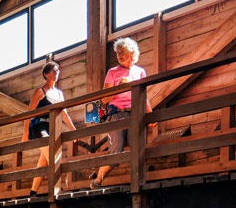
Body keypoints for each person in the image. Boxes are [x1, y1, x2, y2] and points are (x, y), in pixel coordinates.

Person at [92, 37, 157, 189]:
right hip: (116, 114)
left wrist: (150, 113)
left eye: (122, 52)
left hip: (135, 114)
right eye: (117, 53)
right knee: (117, 150)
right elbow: (105, 99)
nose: (119, 55)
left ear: (131, 53)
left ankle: (138, 182)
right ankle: (97, 182)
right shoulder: (112, 72)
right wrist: (119, 87)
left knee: (138, 147)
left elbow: (143, 96)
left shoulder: (140, 72)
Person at [22, 61, 77, 197]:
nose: (56, 73)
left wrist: (74, 131)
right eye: (53, 71)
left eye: (57, 70)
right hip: (39, 126)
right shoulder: (39, 91)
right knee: (53, 155)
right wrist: (25, 134)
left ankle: (33, 192)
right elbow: (29, 113)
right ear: (45, 74)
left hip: (52, 127)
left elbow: (64, 114)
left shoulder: (59, 94)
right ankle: (58, 188)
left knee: (43, 162)